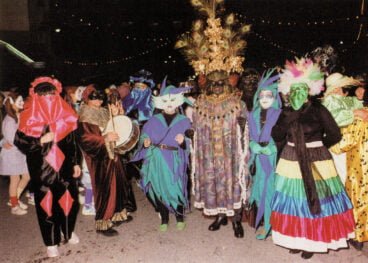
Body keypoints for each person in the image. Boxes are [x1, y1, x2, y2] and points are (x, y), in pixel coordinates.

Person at [270, 58, 355, 259]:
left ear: (309, 90)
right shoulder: (287, 111)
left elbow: (335, 134)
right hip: (291, 159)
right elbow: (277, 135)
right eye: (294, 89)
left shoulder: (319, 109)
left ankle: (311, 242)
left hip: (316, 159)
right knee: (293, 201)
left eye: (302, 89)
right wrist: (292, 114)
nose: (297, 93)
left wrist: (319, 148)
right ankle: (296, 239)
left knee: (316, 201)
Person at [14, 77, 81, 258]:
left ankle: (67, 231)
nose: (48, 99)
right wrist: (39, 140)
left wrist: (76, 163)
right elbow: (19, 141)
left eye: (51, 96)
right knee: (46, 205)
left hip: (65, 169)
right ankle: (51, 241)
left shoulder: (66, 115)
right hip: (42, 171)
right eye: (43, 96)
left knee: (69, 201)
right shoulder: (29, 118)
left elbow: (73, 143)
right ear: (36, 98)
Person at [192, 70, 249, 238]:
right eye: (214, 83)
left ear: (226, 84)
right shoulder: (200, 103)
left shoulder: (237, 103)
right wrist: (192, 134)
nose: (217, 87)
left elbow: (246, 129)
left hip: (230, 155)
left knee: (232, 185)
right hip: (209, 155)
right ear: (208, 84)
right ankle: (220, 216)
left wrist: (243, 126)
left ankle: (236, 220)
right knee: (214, 184)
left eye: (221, 83)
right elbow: (195, 126)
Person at [132, 80, 192, 231]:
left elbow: (191, 140)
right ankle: (164, 218)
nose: (169, 104)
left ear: (178, 101)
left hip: (174, 158)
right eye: (165, 100)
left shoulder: (184, 121)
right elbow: (143, 136)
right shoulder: (153, 120)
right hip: (155, 157)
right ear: (160, 102)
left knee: (176, 186)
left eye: (172, 100)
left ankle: (179, 216)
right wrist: (144, 142)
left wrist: (183, 141)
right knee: (157, 188)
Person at [77, 85, 133, 237]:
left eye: (100, 97)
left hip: (113, 154)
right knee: (105, 189)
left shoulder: (103, 111)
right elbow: (84, 139)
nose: (99, 100)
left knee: (119, 184)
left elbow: (113, 127)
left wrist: (117, 115)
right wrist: (104, 139)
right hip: (100, 158)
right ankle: (103, 222)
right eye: (94, 97)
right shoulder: (85, 115)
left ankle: (118, 214)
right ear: (87, 98)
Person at [330, 82, 368, 251]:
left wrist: (325, 140)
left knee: (360, 200)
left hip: (361, 168)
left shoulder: (361, 117)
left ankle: (359, 237)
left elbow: (343, 144)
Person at [248, 69, 281, 240]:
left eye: (269, 95)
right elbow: (248, 135)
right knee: (259, 190)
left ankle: (270, 225)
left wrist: (274, 148)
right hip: (257, 160)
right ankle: (264, 222)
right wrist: (252, 144)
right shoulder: (252, 115)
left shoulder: (280, 114)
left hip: (274, 161)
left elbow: (286, 137)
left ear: (275, 97)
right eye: (262, 96)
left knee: (271, 191)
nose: (265, 99)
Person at [322, 72, 368, 184]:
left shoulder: (342, 99)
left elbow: (355, 102)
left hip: (346, 142)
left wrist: (361, 98)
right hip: (337, 144)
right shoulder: (330, 100)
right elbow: (334, 117)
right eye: (335, 88)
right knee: (342, 175)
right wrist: (355, 113)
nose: (337, 90)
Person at [0, 91, 30, 215]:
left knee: (27, 176)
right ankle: (14, 206)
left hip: (20, 154)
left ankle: (15, 199)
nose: (22, 103)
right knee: (15, 179)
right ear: (11, 104)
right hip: (12, 155)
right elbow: (14, 140)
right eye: (19, 101)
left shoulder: (18, 116)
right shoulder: (9, 121)